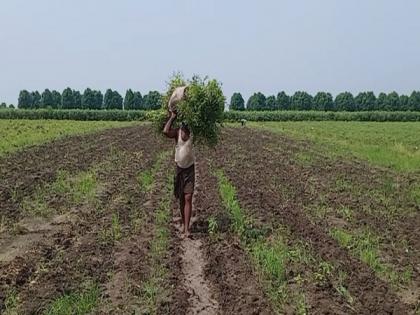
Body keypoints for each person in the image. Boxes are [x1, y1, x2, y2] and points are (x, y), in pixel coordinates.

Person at [163, 110, 195, 237]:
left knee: (188, 197)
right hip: (179, 169)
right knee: (182, 198)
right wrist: (172, 117)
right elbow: (165, 131)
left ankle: (187, 229)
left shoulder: (194, 133)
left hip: (190, 169)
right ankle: (183, 223)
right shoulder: (177, 132)